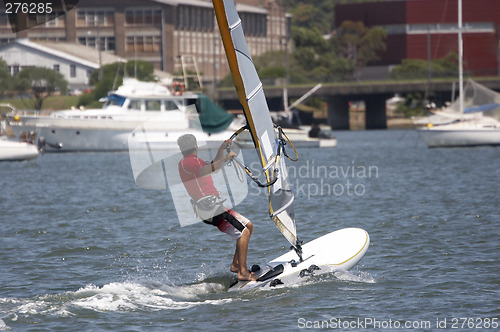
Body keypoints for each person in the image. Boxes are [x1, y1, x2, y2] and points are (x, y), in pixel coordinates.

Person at [177, 134, 258, 281]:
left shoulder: (192, 162)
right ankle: (243, 273)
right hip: (209, 207)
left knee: (248, 226)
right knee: (243, 231)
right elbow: (205, 170)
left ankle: (236, 265)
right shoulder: (189, 162)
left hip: (213, 205)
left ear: (181, 149)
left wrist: (221, 150)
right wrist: (226, 158)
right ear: (196, 147)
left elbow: (213, 168)